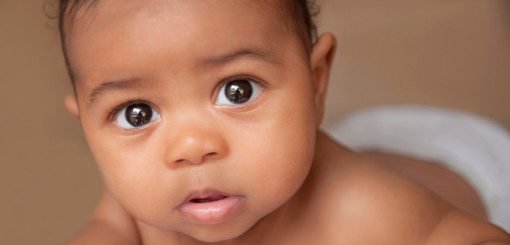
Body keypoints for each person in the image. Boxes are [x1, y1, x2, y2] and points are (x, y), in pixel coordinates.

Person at [58, 0, 510, 244]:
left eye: (238, 90)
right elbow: (106, 233)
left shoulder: (361, 211)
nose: (190, 146)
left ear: (315, 82)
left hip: (469, 167)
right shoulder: (151, 191)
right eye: (137, 114)